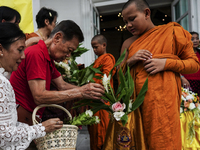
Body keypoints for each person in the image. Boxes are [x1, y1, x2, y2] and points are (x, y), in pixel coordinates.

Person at [103, 0, 200, 150]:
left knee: (163, 141)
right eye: (125, 21)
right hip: (136, 106)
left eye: (132, 18)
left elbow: (193, 65)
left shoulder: (172, 32)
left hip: (164, 106)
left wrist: (166, 63)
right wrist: (130, 61)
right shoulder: (128, 43)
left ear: (147, 13)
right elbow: (119, 75)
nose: (128, 25)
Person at [10, 20, 104, 126]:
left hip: (31, 120)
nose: (68, 55)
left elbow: (62, 85)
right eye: (69, 50)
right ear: (57, 38)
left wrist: (90, 91)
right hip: (20, 121)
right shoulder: (36, 53)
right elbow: (39, 96)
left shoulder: (48, 58)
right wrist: (81, 92)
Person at [0, 22, 63, 150]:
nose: (23, 56)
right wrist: (41, 128)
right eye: (19, 50)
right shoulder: (2, 83)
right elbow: (4, 136)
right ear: (1, 50)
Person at [88, 34, 116, 150]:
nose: (94, 50)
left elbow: (106, 77)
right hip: (94, 99)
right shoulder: (97, 60)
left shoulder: (108, 58)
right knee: (94, 129)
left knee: (104, 129)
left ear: (104, 45)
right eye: (93, 48)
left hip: (103, 99)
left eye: (96, 47)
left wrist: (98, 91)